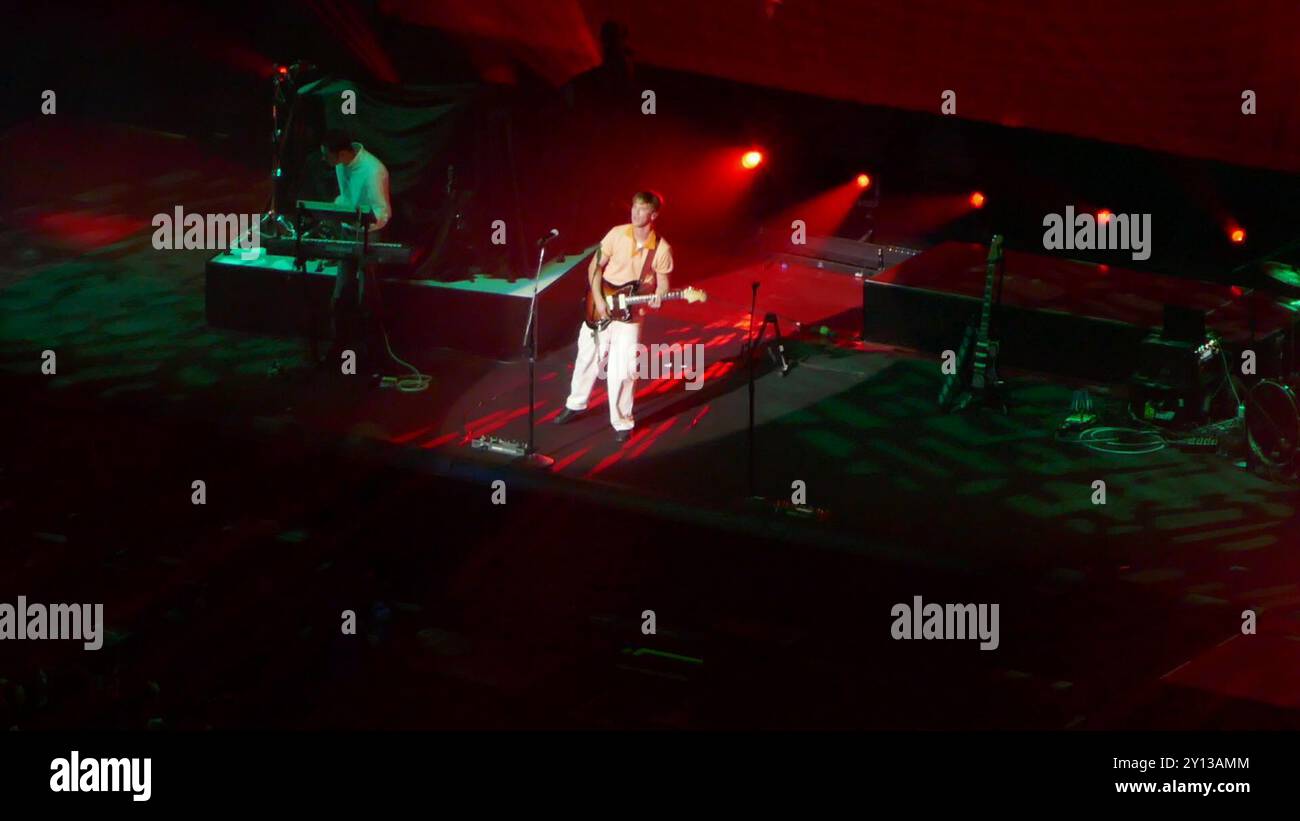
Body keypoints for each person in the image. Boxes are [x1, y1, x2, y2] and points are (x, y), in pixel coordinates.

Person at [554, 191, 673, 441]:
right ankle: (576, 403)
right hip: (600, 305)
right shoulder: (617, 233)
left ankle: (622, 421)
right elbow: (594, 267)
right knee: (587, 356)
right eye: (633, 207)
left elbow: (663, 282)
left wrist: (660, 295)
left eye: (641, 209)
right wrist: (598, 299)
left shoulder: (661, 248)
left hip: (630, 314)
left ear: (653, 215)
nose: (634, 212)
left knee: (625, 368)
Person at [319, 128, 392, 365]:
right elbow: (346, 198)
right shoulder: (342, 166)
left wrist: (360, 220)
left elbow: (382, 212)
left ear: (340, 154)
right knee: (341, 292)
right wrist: (339, 209)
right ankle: (338, 346)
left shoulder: (373, 171)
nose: (323, 160)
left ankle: (371, 352)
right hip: (348, 231)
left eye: (326, 155)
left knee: (367, 294)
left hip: (369, 236)